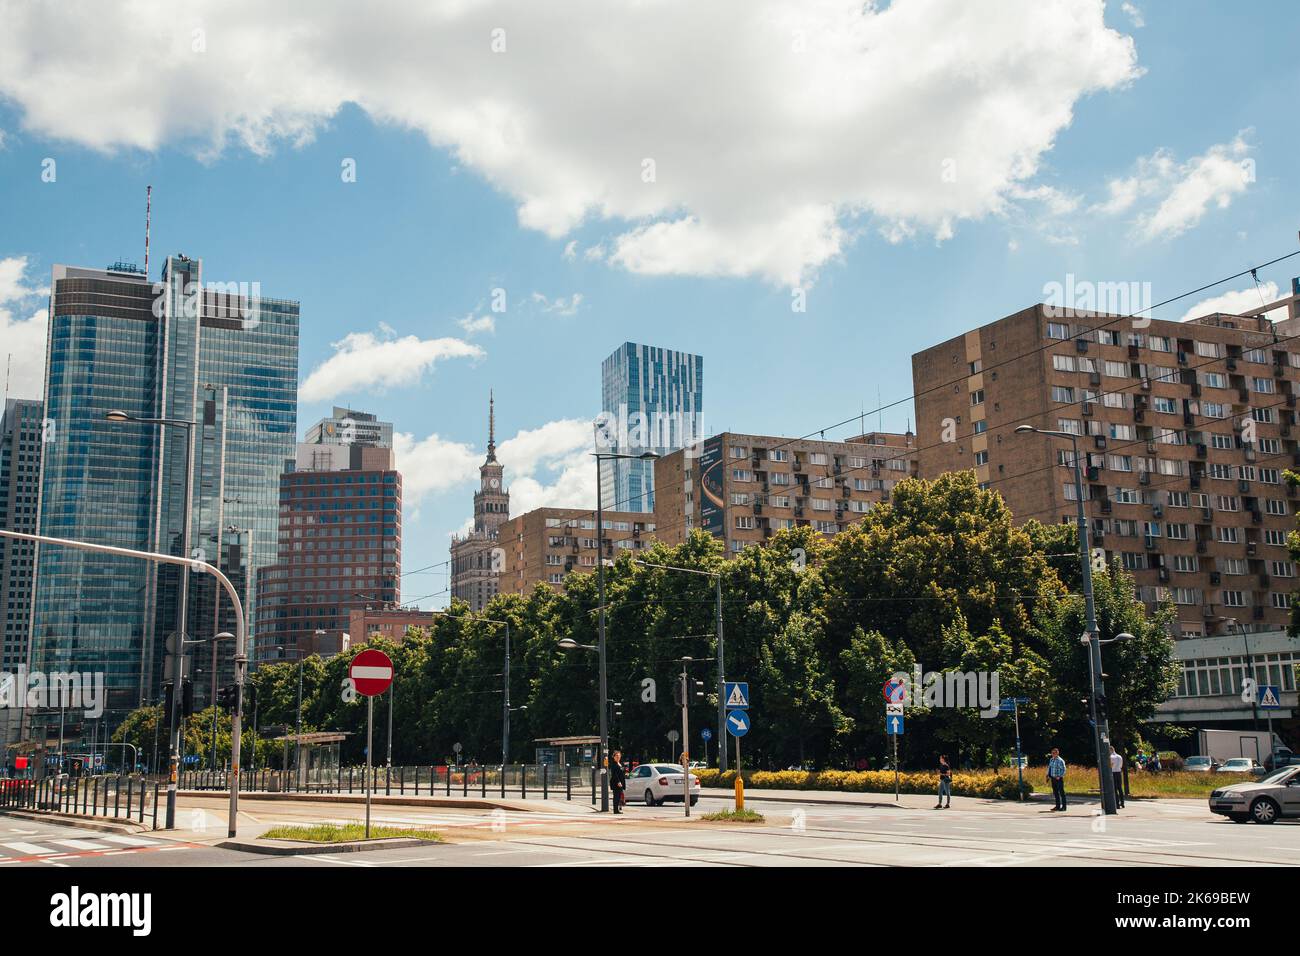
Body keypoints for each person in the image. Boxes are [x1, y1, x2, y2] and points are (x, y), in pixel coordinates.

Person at [609, 749, 627, 814]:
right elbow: (614, 774)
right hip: (616, 783)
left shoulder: (620, 763)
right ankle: (615, 810)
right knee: (616, 796)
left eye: (619, 755)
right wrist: (618, 782)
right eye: (616, 756)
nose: (618, 757)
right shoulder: (614, 764)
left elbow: (621, 772)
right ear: (614, 757)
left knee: (619, 796)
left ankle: (618, 809)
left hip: (621, 782)